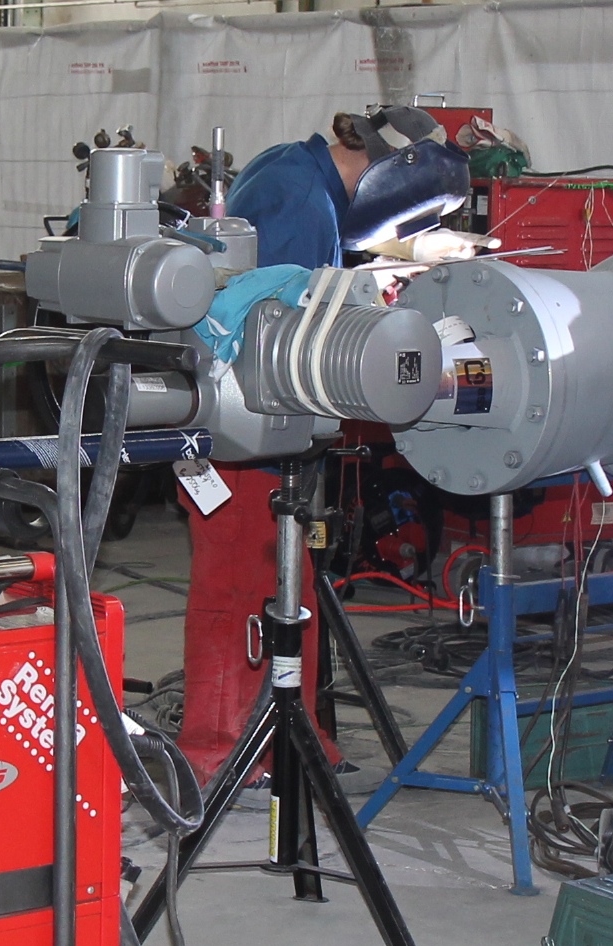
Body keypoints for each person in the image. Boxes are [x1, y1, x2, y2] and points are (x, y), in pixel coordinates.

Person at [177, 106, 469, 794]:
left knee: (285, 585)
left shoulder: (293, 167)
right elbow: (285, 339)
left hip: (257, 430)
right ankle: (216, 754)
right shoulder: (302, 202)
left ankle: (289, 739)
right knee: (238, 587)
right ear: (391, 173)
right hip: (244, 436)